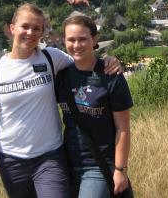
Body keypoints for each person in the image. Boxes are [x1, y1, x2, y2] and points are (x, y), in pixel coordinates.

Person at [0, 4, 121, 198]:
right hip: (12, 162)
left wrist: (108, 60)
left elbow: (84, 60)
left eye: (37, 28)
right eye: (25, 26)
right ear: (12, 28)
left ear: (42, 32)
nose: (31, 32)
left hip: (50, 158)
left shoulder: (51, 58)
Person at [56, 15, 133, 198]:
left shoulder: (110, 75)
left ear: (95, 39)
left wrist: (120, 169)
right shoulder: (61, 75)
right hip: (65, 162)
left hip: (98, 165)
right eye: (71, 40)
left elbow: (123, 129)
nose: (77, 45)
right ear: (64, 41)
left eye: (83, 39)